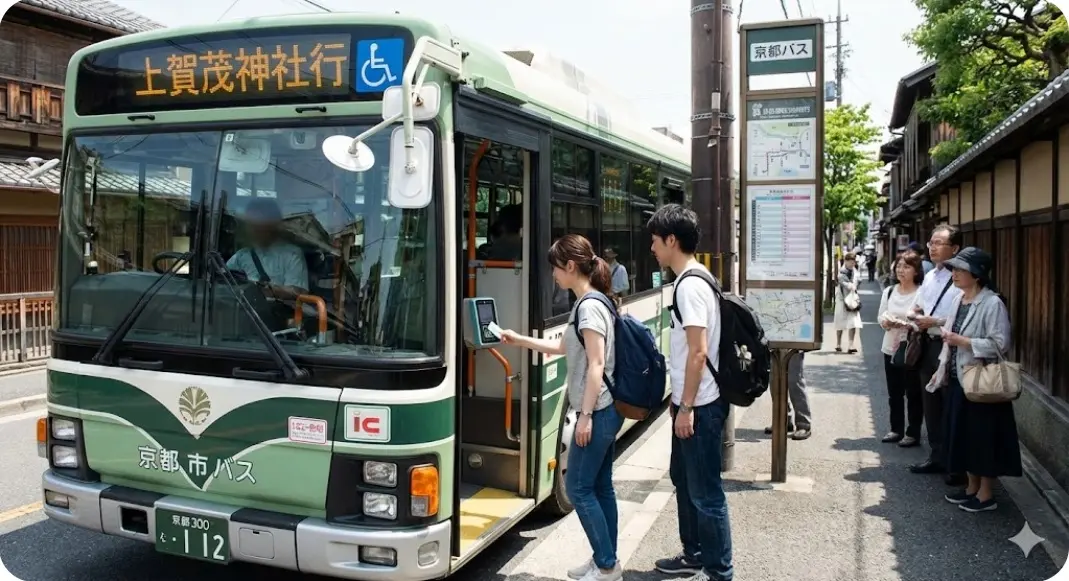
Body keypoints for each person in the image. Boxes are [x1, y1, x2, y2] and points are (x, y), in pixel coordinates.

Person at [498, 234, 624, 581]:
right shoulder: (590, 302)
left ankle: (607, 565)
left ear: (570, 266)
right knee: (600, 487)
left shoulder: (589, 307)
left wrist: (584, 416)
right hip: (605, 410)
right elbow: (563, 348)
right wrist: (518, 339)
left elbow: (596, 364)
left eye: (555, 267)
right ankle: (605, 559)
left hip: (597, 412)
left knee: (579, 489)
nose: (553, 274)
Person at [647, 204, 733, 581]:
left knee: (706, 494)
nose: (652, 248)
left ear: (671, 240)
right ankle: (694, 554)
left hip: (700, 407)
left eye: (655, 240)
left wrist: (686, 406)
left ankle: (719, 571)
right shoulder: (697, 278)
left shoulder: (690, 285)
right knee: (685, 481)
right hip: (695, 403)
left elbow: (698, 352)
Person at [926, 247, 1020, 512]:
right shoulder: (959, 299)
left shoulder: (992, 303)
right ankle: (971, 488)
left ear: (977, 274)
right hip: (958, 379)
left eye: (960, 270)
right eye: (954, 269)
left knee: (983, 440)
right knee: (963, 436)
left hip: (981, 383)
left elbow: (1001, 344)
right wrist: (942, 366)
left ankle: (986, 495)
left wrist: (964, 341)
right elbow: (949, 336)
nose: (954, 274)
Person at [908, 225, 964, 486]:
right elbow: (917, 306)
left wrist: (935, 320)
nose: (932, 247)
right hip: (928, 344)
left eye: (939, 243)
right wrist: (914, 316)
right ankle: (937, 455)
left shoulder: (961, 277)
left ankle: (956, 464)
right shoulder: (930, 275)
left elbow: (962, 314)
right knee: (930, 402)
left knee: (950, 404)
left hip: (951, 347)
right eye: (931, 242)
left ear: (955, 248)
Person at [877, 250, 924, 448]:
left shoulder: (921, 293)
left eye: (906, 266)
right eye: (898, 266)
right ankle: (896, 429)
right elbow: (881, 316)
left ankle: (913, 432)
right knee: (894, 393)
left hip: (912, 349)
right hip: (890, 348)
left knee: (913, 392)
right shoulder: (889, 291)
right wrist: (886, 322)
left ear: (916, 271)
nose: (901, 270)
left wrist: (907, 324)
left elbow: (923, 321)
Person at [226, 198, 308, 299]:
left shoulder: (292, 254)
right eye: (250, 222)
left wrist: (266, 289)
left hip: (279, 308)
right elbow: (222, 280)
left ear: (273, 224)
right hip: (244, 307)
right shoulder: (241, 256)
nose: (253, 227)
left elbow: (298, 293)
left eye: (259, 221)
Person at [763, 352, 812, 440]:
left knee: (794, 380)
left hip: (795, 346)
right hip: (775, 345)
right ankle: (783, 421)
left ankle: (803, 424)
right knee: (775, 381)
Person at [833, 253, 863, 353]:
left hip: (852, 299)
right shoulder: (841, 272)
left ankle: (851, 345)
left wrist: (856, 284)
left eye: (853, 262)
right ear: (845, 261)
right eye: (850, 262)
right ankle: (838, 343)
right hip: (842, 299)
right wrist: (851, 285)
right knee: (840, 321)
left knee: (853, 322)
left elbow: (858, 281)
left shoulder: (855, 271)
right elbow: (842, 282)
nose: (852, 264)